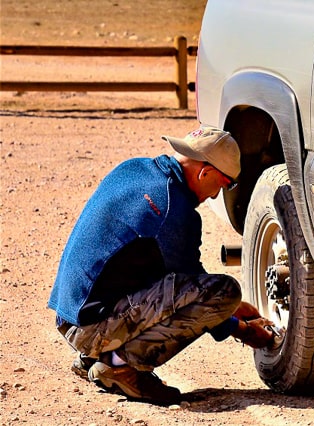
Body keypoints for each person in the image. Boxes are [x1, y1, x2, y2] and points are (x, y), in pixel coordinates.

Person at [48, 125, 274, 405]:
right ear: (205, 172)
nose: (216, 195)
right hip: (91, 327)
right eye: (224, 184)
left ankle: (96, 356)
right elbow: (200, 295)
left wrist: (237, 318)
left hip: (69, 315)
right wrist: (242, 329)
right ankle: (119, 365)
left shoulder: (134, 169)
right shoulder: (173, 209)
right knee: (224, 292)